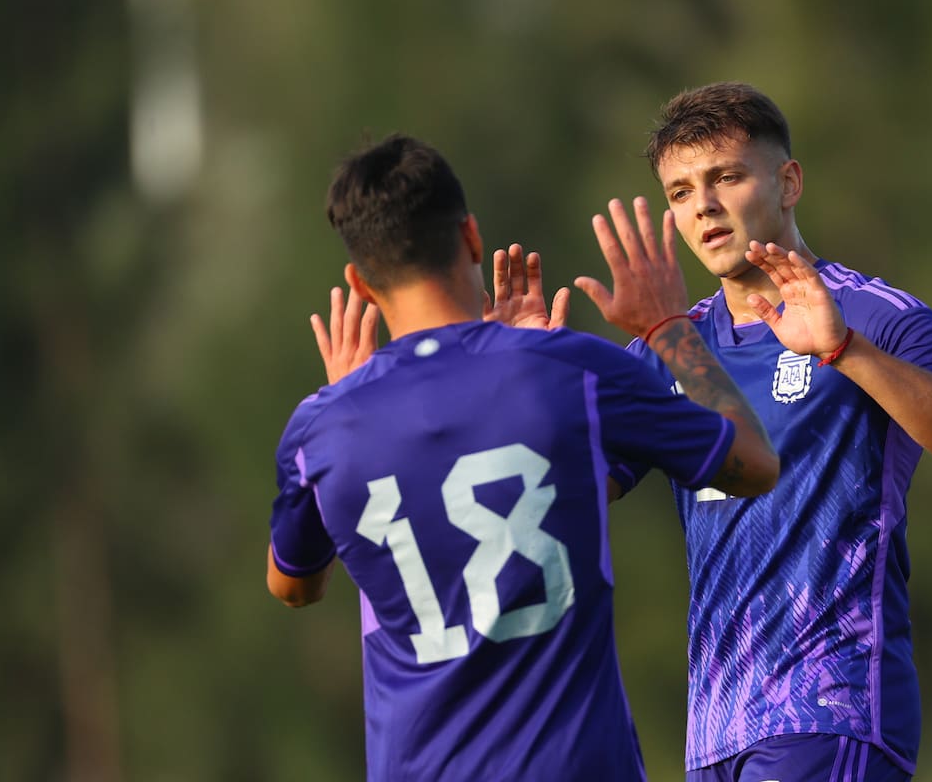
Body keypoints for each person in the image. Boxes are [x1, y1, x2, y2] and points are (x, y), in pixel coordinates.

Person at [264, 133, 779, 781]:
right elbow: (754, 463)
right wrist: (668, 329)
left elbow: (294, 585)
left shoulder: (322, 429)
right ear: (472, 238)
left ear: (360, 285)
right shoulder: (572, 375)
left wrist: (349, 404)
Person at [605, 82, 932, 781]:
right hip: (715, 731)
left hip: (831, 706)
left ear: (788, 182)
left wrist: (843, 350)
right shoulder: (673, 346)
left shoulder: (871, 313)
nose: (702, 205)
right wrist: (534, 377)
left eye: (726, 177)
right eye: (679, 192)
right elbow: (574, 488)